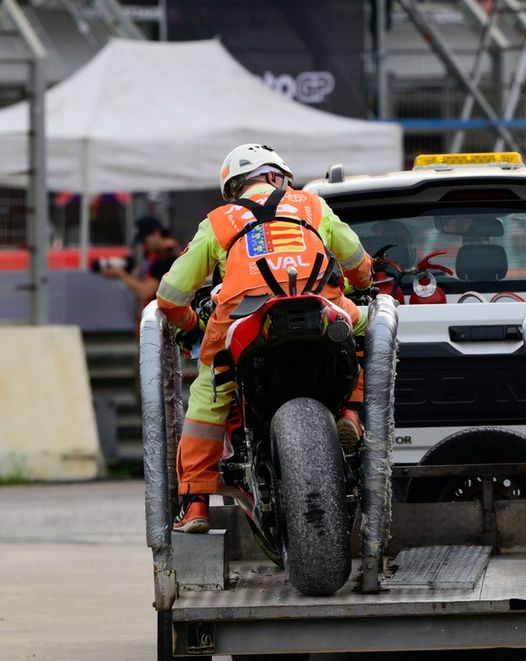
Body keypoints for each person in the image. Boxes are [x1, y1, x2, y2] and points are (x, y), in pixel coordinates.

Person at [156, 144, 373, 533]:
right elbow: (359, 264)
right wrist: (360, 289)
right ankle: (352, 413)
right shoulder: (311, 205)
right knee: (366, 332)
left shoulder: (220, 220)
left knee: (209, 395)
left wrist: (190, 325)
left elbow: (170, 295)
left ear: (236, 187)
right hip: (322, 309)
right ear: (276, 176)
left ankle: (195, 505)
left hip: (246, 322)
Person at [99, 215, 179, 314]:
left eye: (144, 241)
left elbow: (145, 292)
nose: (144, 246)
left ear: (156, 233)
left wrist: (121, 274)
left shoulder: (169, 256)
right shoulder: (156, 256)